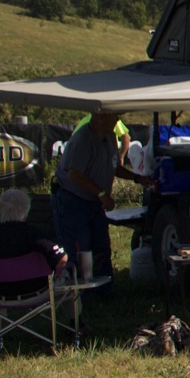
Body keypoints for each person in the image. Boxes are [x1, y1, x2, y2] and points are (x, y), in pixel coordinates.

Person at [52, 107, 136, 289]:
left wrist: (137, 178)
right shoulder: (82, 139)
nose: (117, 121)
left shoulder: (110, 137)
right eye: (114, 116)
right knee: (79, 247)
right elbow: (74, 174)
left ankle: (103, 291)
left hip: (93, 201)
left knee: (101, 245)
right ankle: (77, 294)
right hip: (72, 200)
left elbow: (114, 166)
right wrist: (102, 194)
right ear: (100, 117)